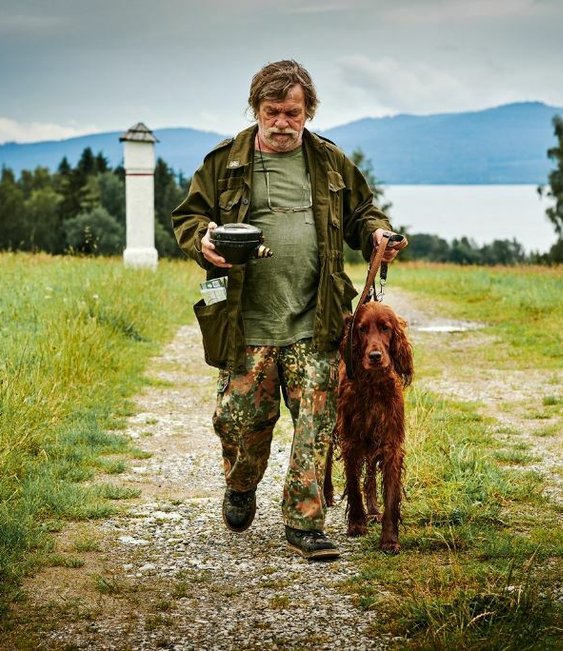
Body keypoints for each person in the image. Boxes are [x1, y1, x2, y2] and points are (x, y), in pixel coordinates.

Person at [172, 60, 406, 560]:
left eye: (292, 112)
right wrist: (204, 240)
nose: (282, 122)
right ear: (256, 109)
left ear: (308, 112)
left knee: (316, 422)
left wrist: (378, 236)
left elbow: (364, 213)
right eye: (271, 111)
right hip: (246, 321)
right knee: (237, 422)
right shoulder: (225, 162)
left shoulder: (329, 163)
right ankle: (241, 483)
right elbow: (189, 217)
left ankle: (305, 523)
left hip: (314, 319)